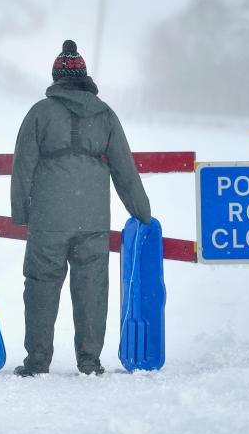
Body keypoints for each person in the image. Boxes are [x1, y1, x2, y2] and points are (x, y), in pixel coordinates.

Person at [11, 40, 151, 377]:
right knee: (91, 287)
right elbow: (124, 169)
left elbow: (23, 164)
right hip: (92, 219)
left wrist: (21, 212)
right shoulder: (104, 115)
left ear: (56, 77)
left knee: (41, 285)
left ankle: (37, 361)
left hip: (49, 218)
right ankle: (89, 360)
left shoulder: (40, 113)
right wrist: (142, 212)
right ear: (84, 76)